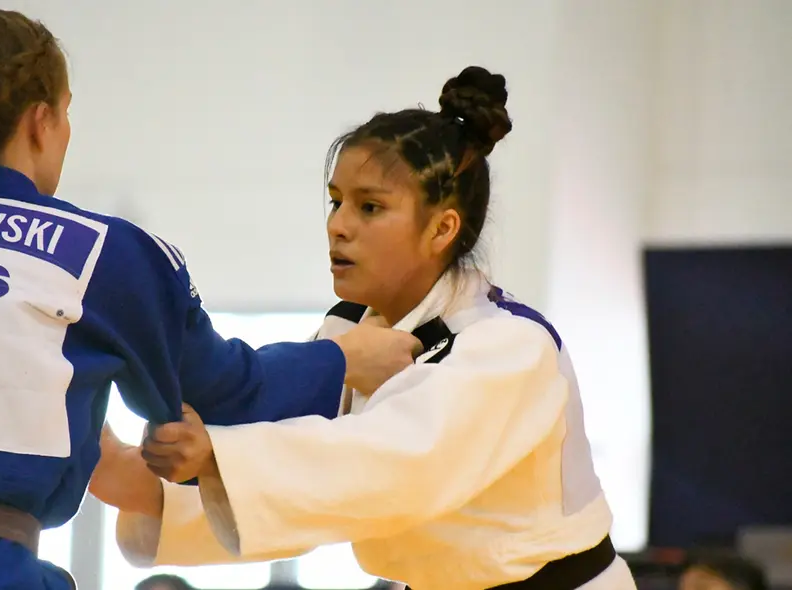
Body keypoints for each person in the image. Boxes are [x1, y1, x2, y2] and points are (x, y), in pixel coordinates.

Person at [0, 7, 420, 590]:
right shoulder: (97, 251)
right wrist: (343, 359)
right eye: (66, 114)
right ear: (42, 121)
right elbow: (227, 392)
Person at [93, 66, 639, 590]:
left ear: (442, 228)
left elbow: (386, 468)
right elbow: (311, 480)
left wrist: (215, 455)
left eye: (370, 207)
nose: (338, 225)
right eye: (336, 202)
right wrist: (151, 490)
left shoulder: (509, 345)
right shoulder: (350, 330)